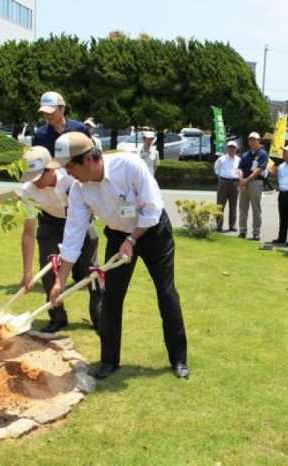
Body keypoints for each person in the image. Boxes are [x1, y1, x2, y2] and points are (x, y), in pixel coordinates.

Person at [49, 132, 189, 380]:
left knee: (166, 293)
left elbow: (152, 209)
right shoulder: (80, 190)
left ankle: (178, 359)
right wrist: (60, 281)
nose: (68, 174)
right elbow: (73, 237)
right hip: (117, 235)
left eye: (70, 167)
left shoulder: (130, 166)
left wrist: (132, 240)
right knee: (111, 297)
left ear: (89, 159)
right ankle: (109, 360)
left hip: (153, 232)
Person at [18, 145, 103, 333]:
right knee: (48, 270)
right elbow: (29, 232)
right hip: (50, 225)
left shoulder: (71, 179)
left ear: (50, 169)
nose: (35, 182)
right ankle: (57, 317)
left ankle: (99, 316)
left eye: (38, 176)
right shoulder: (28, 190)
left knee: (91, 270)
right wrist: (27, 272)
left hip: (81, 222)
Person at [32, 91, 89, 156]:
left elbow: (92, 157)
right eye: (45, 112)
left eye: (51, 112)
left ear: (62, 109)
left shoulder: (80, 129)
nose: (48, 115)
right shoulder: (40, 135)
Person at [238, 131, 269, 240]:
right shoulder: (246, 154)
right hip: (244, 183)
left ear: (259, 141)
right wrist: (241, 179)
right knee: (243, 208)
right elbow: (240, 167)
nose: (252, 142)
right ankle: (242, 231)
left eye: (254, 140)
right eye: (250, 140)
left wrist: (246, 180)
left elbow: (259, 170)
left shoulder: (263, 154)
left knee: (256, 209)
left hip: (255, 182)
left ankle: (256, 232)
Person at [214, 140, 240, 232]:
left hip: (235, 182)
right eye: (230, 147)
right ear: (227, 148)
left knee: (233, 205)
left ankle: (232, 225)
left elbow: (241, 172)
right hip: (223, 181)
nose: (231, 149)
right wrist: (221, 180)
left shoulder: (239, 160)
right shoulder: (222, 159)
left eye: (233, 148)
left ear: (236, 149)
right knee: (220, 204)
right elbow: (216, 170)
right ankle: (219, 225)